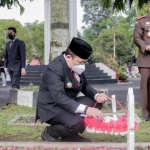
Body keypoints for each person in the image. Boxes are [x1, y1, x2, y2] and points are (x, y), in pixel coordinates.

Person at [35, 37, 109, 142]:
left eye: (85, 62)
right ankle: (50, 132)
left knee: (96, 103)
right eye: (80, 62)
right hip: (52, 107)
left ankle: (70, 135)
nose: (82, 66)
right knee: (76, 122)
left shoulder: (75, 65)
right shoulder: (54, 68)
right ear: (69, 57)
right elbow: (59, 97)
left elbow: (84, 85)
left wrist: (97, 95)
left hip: (67, 102)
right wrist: (87, 110)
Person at [133, 0, 150, 121]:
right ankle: (146, 113)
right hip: (146, 59)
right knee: (145, 86)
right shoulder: (142, 21)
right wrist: (146, 47)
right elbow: (136, 38)